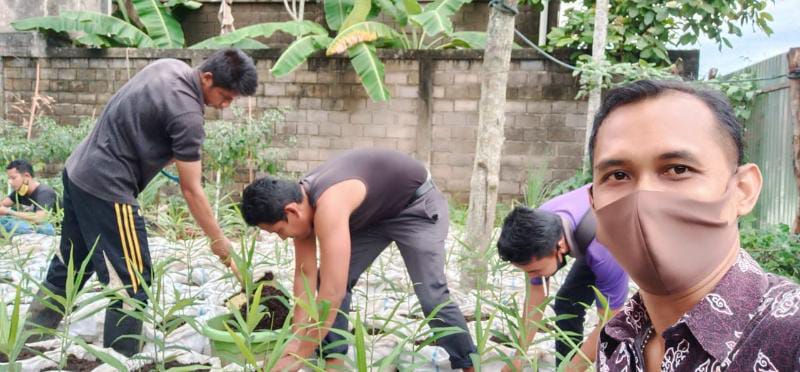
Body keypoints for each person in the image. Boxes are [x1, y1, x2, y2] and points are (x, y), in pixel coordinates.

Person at [24, 48, 257, 357]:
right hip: (107, 187)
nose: (225, 106)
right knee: (133, 282)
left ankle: (24, 343)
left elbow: (143, 121)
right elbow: (192, 189)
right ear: (207, 77)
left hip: (78, 172)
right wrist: (219, 242)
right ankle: (120, 360)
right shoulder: (188, 115)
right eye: (225, 97)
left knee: (70, 266)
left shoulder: (169, 67)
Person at [589, 80, 800, 371]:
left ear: (742, 190)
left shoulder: (791, 337)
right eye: (618, 175)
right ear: (593, 204)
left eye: (678, 169)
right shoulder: (617, 339)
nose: (644, 199)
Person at [240, 148, 477, 371]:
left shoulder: (329, 205)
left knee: (431, 295)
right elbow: (305, 275)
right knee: (326, 280)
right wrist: (297, 338)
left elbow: (333, 293)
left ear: (291, 211)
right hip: (374, 215)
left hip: (415, 207)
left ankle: (468, 362)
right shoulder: (299, 205)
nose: (282, 238)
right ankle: (333, 359)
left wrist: (301, 354)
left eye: (279, 231)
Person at [497, 189, 629, 371]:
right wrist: (518, 357)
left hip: (638, 235)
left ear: (559, 246)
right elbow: (536, 298)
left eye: (534, 271)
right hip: (592, 234)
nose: (531, 277)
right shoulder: (539, 225)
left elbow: (609, 323)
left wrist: (571, 370)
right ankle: (564, 363)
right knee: (567, 304)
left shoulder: (605, 250)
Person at [0, 159, 57, 236]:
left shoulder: (44, 192)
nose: (10, 182)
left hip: (51, 228)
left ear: (27, 176)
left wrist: (9, 212)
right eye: (9, 179)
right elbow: (2, 204)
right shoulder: (20, 192)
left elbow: (40, 218)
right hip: (31, 226)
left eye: (13, 178)